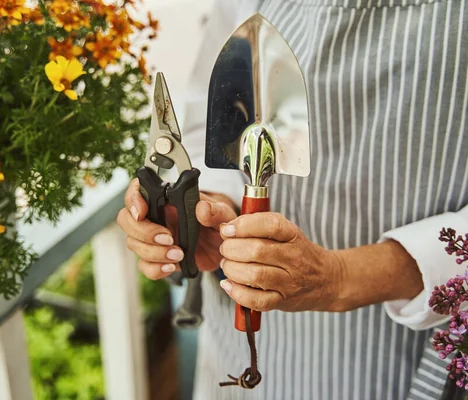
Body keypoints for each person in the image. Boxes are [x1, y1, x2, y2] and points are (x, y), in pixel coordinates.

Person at [117, 0, 468, 398]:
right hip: (237, 332)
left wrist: (338, 278)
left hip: (398, 339)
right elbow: (209, 113)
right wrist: (211, 205)